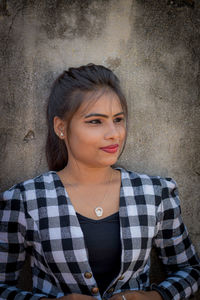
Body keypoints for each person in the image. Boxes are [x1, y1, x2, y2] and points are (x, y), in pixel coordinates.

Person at [0, 64, 199, 300]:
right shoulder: (25, 200)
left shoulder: (156, 193)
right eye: (96, 121)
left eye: (118, 119)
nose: (114, 133)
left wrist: (154, 297)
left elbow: (190, 271)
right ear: (61, 127)